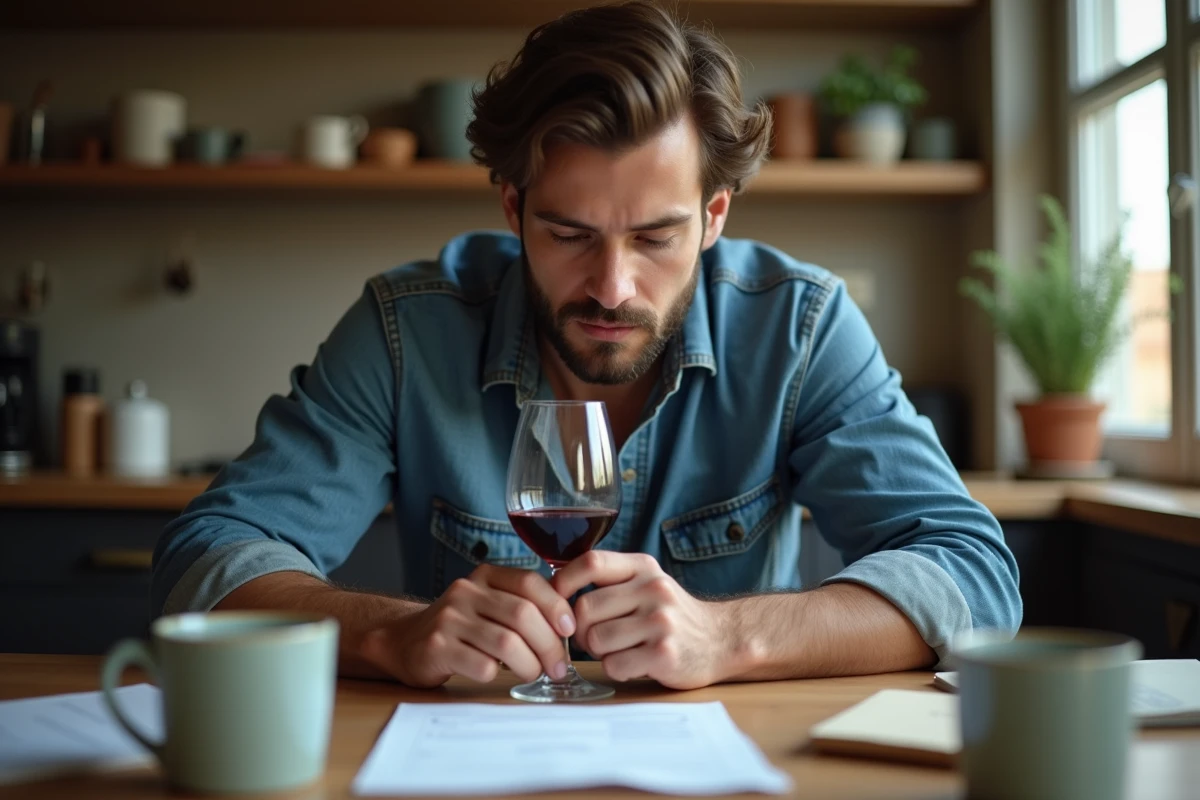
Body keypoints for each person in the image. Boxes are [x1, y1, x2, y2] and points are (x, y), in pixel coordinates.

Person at [152, 0, 1021, 691]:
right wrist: (388, 633)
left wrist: (732, 635)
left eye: (655, 238)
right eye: (569, 233)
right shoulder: (404, 333)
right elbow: (208, 558)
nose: (612, 286)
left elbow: (975, 575)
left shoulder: (799, 331)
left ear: (714, 217)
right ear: (512, 210)